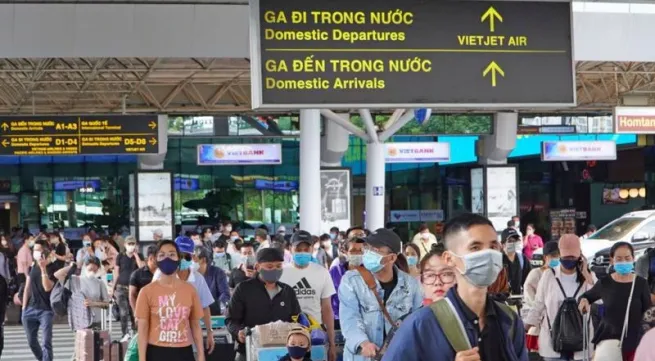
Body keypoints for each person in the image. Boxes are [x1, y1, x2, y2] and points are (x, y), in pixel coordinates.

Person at [381, 213, 528, 361]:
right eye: (475, 247)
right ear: (449, 258)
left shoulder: (509, 321)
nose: (488, 254)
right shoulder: (421, 325)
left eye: (493, 246)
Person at [339, 228, 423, 361]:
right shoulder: (351, 281)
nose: (367, 253)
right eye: (367, 248)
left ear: (392, 258)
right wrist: (363, 343)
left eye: (375, 250)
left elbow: (417, 323)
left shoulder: (411, 285)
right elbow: (349, 318)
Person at [524, 234, 596, 361]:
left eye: (573, 256)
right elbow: (538, 304)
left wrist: (586, 273)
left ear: (580, 256)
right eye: (566, 256)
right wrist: (526, 327)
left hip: (581, 344)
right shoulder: (549, 276)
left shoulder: (589, 277)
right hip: (553, 343)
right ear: (560, 255)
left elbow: (599, 299)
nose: (569, 259)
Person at [225, 247, 302, 361]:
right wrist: (238, 332)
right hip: (248, 352)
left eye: (278, 266)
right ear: (257, 267)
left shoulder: (288, 291)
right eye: (270, 267)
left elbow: (296, 318)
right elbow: (231, 320)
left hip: (282, 353)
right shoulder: (243, 289)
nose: (275, 270)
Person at [578, 242, 651, 361]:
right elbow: (586, 297)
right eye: (619, 258)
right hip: (609, 343)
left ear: (633, 259)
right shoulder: (605, 283)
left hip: (635, 343)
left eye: (627, 258)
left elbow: (649, 313)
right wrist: (584, 301)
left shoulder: (641, 283)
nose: (623, 262)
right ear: (612, 261)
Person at [135, 240, 205, 361]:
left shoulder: (190, 290)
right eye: (162, 255)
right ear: (156, 260)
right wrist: (142, 358)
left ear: (179, 259)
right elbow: (142, 328)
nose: (167, 258)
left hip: (184, 352)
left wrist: (201, 355)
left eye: (172, 254)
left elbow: (195, 325)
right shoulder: (146, 292)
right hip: (156, 352)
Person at [151, 236, 216, 354]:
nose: (182, 260)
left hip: (190, 336)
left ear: (193, 257)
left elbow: (205, 307)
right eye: (179, 255)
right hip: (165, 335)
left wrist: (210, 332)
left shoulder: (197, 279)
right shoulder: (160, 275)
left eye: (187, 256)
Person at [280, 230, 337, 361]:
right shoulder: (281, 273)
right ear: (290, 249)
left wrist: (332, 344)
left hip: (315, 337)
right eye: (298, 249)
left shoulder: (322, 272)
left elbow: (327, 309)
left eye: (306, 249)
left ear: (312, 249)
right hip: (289, 339)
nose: (302, 252)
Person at [22, 239, 58, 361]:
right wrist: (23, 308)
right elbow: (27, 287)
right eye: (34, 250)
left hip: (46, 310)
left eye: (38, 250)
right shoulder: (33, 266)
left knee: (46, 342)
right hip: (30, 309)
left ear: (46, 251)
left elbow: (47, 287)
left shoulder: (53, 268)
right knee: (31, 342)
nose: (35, 252)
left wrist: (43, 270)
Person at [522, 241, 560, 352]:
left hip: (559, 326)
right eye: (553, 256)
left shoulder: (561, 274)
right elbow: (530, 297)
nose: (556, 258)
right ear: (545, 257)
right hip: (539, 324)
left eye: (558, 255)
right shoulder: (536, 273)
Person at [54, 256, 110, 330]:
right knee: (82, 341)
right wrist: (73, 266)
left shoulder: (100, 283)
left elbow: (106, 305)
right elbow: (57, 275)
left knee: (97, 341)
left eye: (95, 270)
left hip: (97, 321)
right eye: (90, 269)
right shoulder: (75, 280)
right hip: (80, 322)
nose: (92, 272)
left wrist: (93, 303)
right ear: (85, 267)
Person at [328, 234, 365, 329]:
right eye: (353, 251)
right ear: (346, 252)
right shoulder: (336, 270)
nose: (357, 254)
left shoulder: (370, 272)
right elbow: (329, 297)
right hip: (338, 320)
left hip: (364, 321)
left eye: (360, 251)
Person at [112, 235, 144, 341]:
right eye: (129, 244)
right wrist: (113, 288)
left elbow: (142, 268)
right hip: (121, 287)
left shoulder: (139, 255)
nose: (131, 246)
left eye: (133, 244)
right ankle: (124, 333)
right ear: (125, 245)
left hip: (134, 289)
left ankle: (135, 332)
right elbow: (116, 272)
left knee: (134, 312)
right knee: (123, 312)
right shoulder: (120, 256)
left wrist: (136, 255)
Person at [193, 246, 230, 315]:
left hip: (213, 312)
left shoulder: (218, 272)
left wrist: (222, 305)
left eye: (194, 257)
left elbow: (224, 293)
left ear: (203, 260)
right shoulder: (189, 274)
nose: (191, 261)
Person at [500, 227, 532, 295]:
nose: (513, 244)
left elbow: (529, 282)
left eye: (516, 240)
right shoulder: (497, 260)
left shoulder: (522, 259)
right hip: (501, 301)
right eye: (510, 241)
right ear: (503, 244)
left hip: (518, 299)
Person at [129, 245, 158, 313]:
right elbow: (132, 295)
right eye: (158, 257)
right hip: (143, 312)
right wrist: (136, 313)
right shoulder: (137, 274)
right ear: (151, 258)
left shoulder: (163, 274)